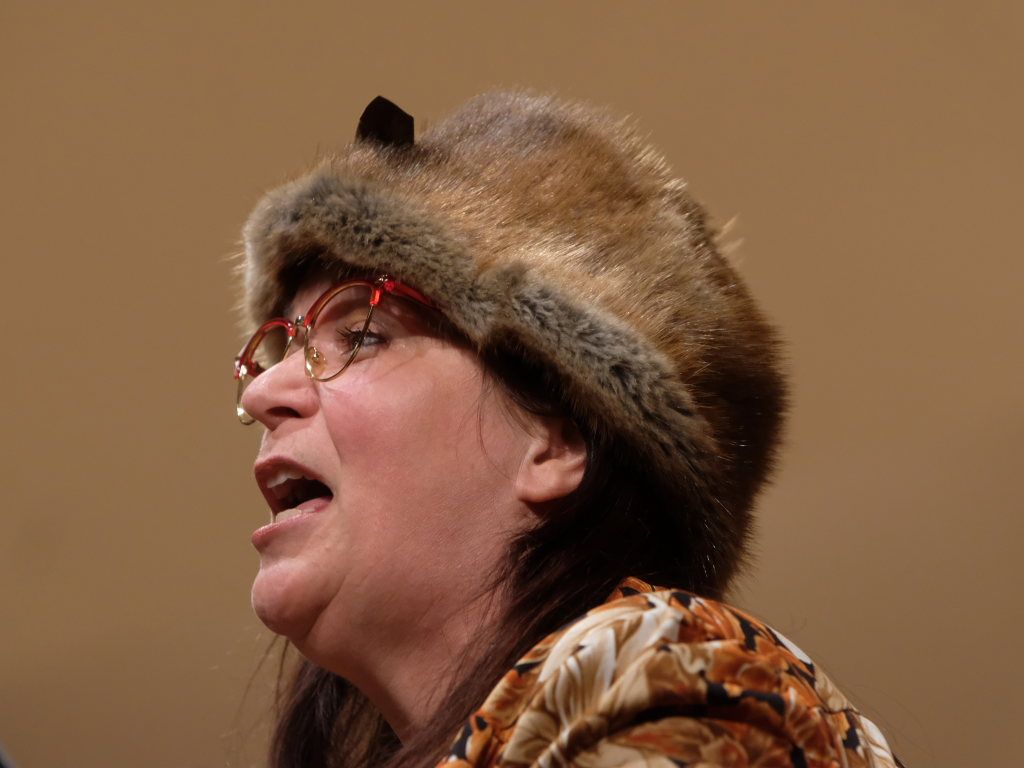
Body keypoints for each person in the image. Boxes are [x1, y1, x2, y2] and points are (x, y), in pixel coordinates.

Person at [233, 92, 899, 767]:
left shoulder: (675, 683)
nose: (263, 391)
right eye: (281, 347)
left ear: (558, 442)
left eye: (363, 335)